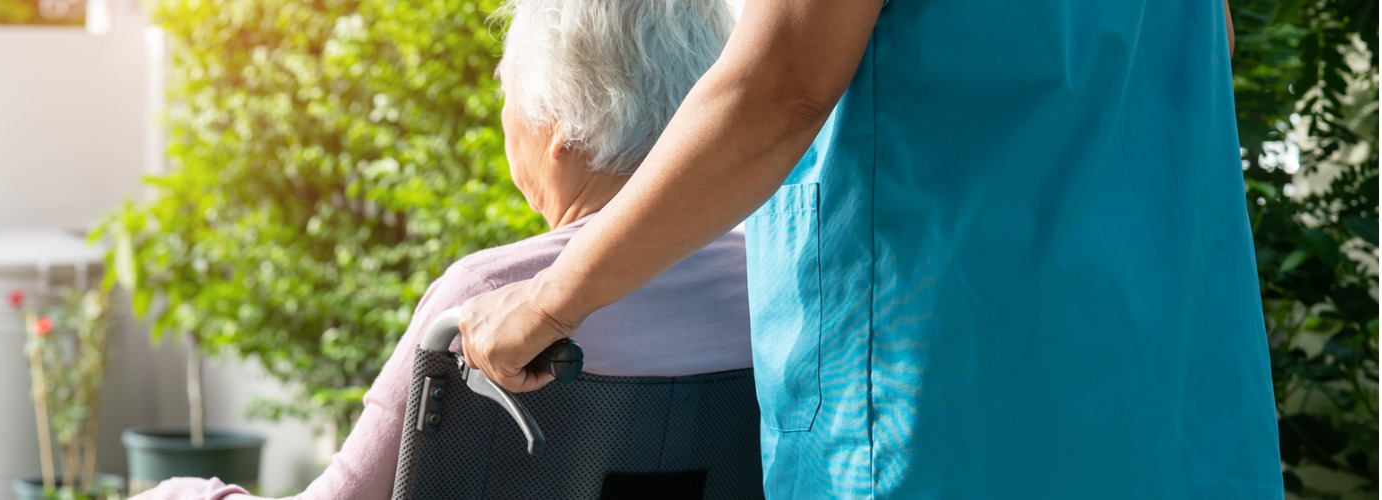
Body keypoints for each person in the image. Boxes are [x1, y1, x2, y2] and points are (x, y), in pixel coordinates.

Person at [459, 0, 1281, 497]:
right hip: (1166, 398)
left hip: (956, 416)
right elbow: (1209, 52)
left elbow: (780, 87)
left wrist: (545, 300)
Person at [133, 1, 743, 498]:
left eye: (509, 89)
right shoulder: (760, 285)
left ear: (558, 127)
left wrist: (187, 493)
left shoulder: (497, 301)